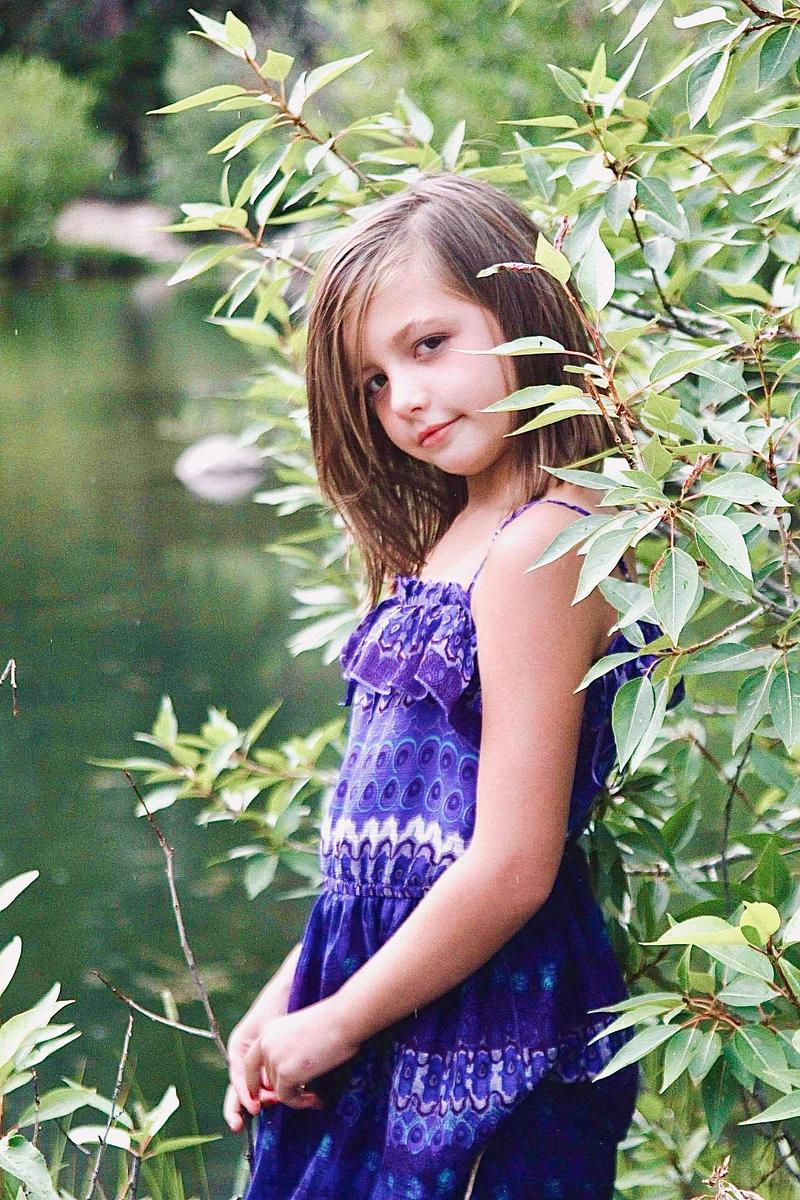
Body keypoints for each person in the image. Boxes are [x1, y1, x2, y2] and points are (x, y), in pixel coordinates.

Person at [223, 173, 681, 1199]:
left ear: (524, 308)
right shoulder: (450, 539)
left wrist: (337, 1019)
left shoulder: (542, 547)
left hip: (489, 1021)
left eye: (427, 344)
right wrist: (294, 990)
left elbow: (511, 864)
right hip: (394, 987)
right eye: (372, 381)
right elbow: (391, 843)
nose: (405, 399)